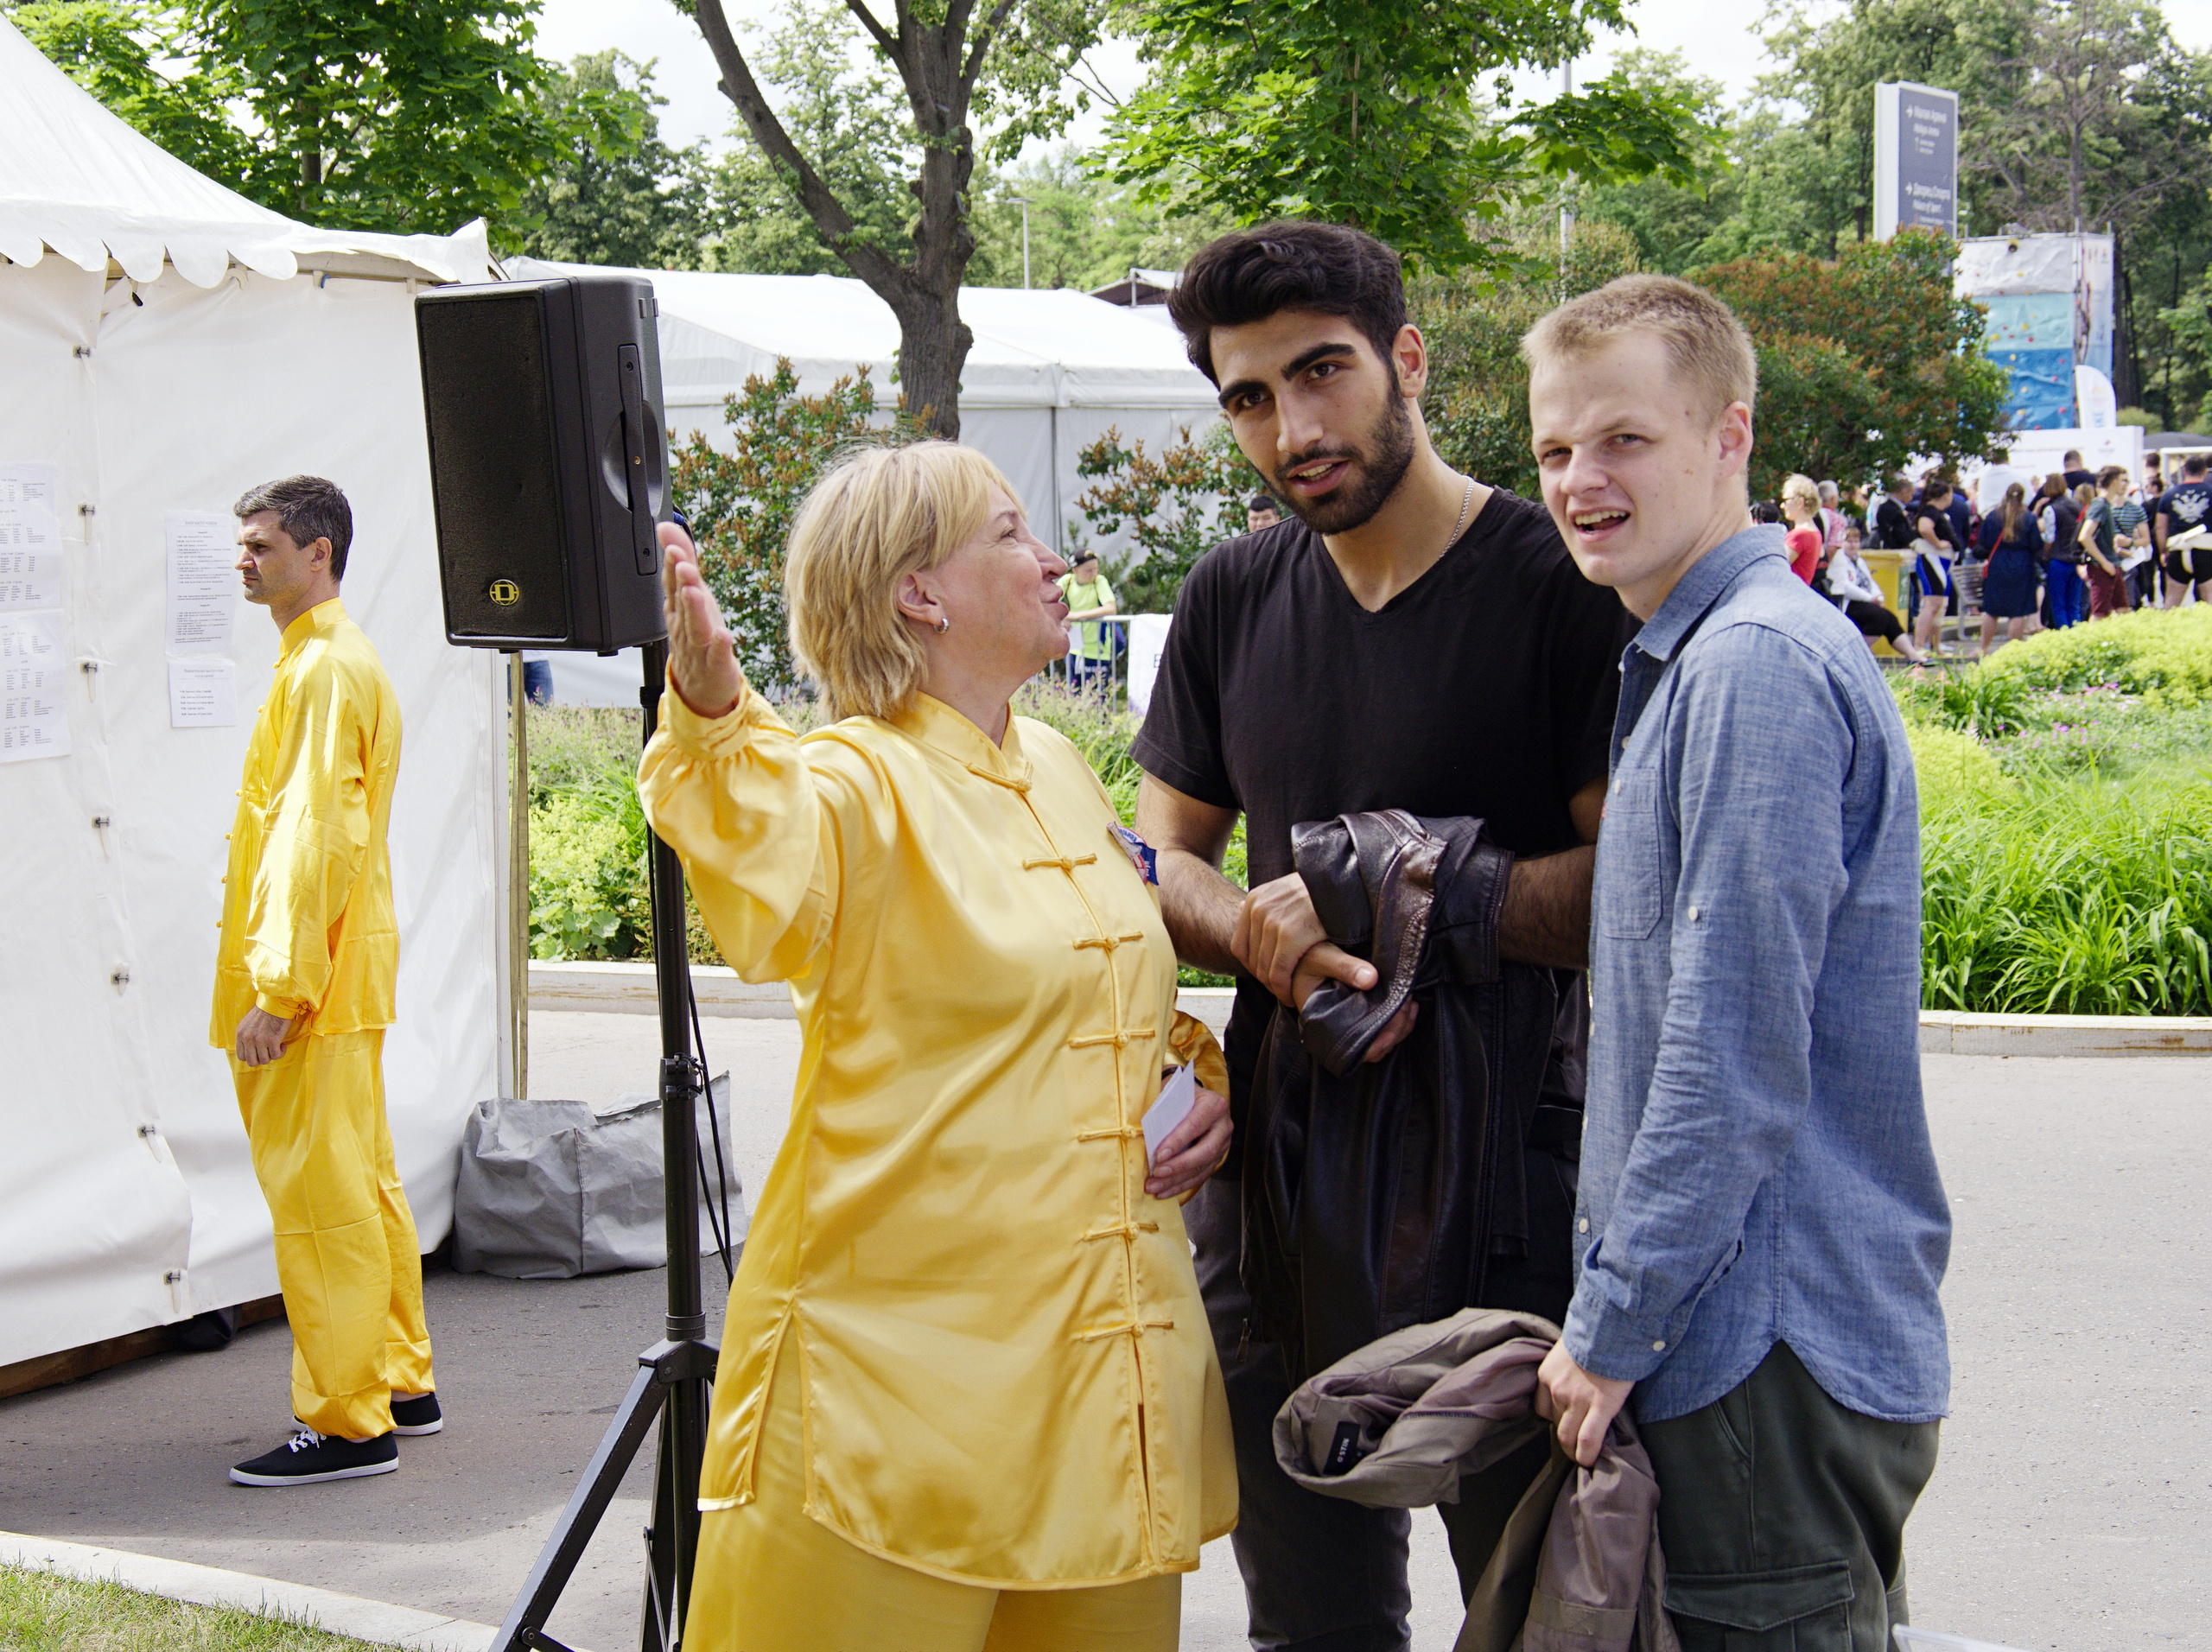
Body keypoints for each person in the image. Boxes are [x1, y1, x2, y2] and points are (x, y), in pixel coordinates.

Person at [639, 442, 1236, 1652]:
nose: (1053, 556)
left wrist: (1192, 1078)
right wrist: (711, 713)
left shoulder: (1058, 767)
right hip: (894, 1407)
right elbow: (767, 864)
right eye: (1013, 531)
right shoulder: (852, 780)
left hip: (1101, 1390)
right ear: (921, 592)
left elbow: (1084, 978)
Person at [1136, 219, 1626, 1650]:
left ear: (1408, 362)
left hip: (1513, 1194)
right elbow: (1156, 855)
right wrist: (1257, 928)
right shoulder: (1234, 595)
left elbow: (1632, 886)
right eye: (1247, 396)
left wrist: (1391, 887)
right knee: (1309, 1625)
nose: (1292, 428)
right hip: (1280, 1199)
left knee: (1532, 1614)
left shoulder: (1559, 584)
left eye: (1322, 372)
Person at [1521, 272, 1950, 1652]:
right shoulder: (1695, 658)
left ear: (1731, 438)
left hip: (1751, 1351)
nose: (1582, 479)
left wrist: (1609, 1327)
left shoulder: (1751, 666)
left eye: (1625, 440)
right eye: (1555, 450)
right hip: (1751, 1345)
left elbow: (1731, 1054)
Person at [216, 476, 437, 1488]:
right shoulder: (331, 659)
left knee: (322, 1202)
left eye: (262, 543)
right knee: (363, 1180)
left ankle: (349, 1423)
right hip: (347, 975)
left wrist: (281, 987)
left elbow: (317, 837)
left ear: (319, 553)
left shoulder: (323, 671)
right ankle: (397, 1380)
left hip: (320, 984)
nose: (244, 558)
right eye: (245, 543)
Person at [1827, 523, 1927, 663]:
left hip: (1864, 601)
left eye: (1856, 542)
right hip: (1847, 602)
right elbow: (1845, 586)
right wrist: (1870, 598)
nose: (1853, 545)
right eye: (1848, 542)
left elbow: (1869, 581)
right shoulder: (1839, 561)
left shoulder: (1859, 561)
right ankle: (1858, 654)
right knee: (1879, 618)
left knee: (1889, 618)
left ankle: (1912, 655)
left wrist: (1878, 595)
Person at [1974, 480, 2043, 654]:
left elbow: (1982, 543)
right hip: (2022, 564)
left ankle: (1983, 648)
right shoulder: (2028, 517)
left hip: (1998, 564)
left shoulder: (1993, 516)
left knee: (1992, 609)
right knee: (2017, 610)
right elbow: (2036, 545)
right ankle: (2014, 650)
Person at [1911, 478, 1962, 657]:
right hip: (1932, 559)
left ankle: (1936, 646)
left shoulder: (1936, 512)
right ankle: (1918, 646)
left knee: (1940, 605)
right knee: (1932, 604)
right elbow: (1925, 528)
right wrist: (1939, 544)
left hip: (1943, 562)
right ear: (1946, 495)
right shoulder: (1930, 511)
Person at [1056, 547, 1119, 689]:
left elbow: (1111, 608)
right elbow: (1050, 603)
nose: (1093, 573)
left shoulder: (1099, 581)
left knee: (1098, 696)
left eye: (1096, 569)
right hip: (1075, 648)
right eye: (1088, 570)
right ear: (1075, 570)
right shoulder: (1067, 582)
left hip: (1099, 648)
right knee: (1075, 693)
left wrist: (1076, 616)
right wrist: (1062, 616)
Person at [2155, 454, 2212, 606]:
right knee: (2209, 599)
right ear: (2205, 471)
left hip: (2177, 548)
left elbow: (2160, 526)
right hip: (2206, 549)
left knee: (2172, 602)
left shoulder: (2169, 495)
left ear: (2184, 470)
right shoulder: (2210, 491)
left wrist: (2163, 551)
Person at [2082, 467, 2135, 619]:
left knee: (2123, 609)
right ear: (2114, 482)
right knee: (2100, 614)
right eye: (2122, 480)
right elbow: (2085, 536)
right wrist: (2104, 562)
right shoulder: (2100, 505)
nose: (2124, 485)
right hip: (2102, 568)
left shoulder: (2105, 505)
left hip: (2112, 565)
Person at [2037, 473, 2088, 629]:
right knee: (2074, 605)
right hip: (2077, 560)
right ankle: (2076, 636)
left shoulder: (2051, 509)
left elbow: (2050, 539)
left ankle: (2065, 635)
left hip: (2058, 561)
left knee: (2059, 605)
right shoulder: (2078, 506)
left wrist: (2045, 554)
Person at [1780, 473, 1824, 583]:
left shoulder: (1799, 535)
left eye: (1786, 500)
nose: (1782, 505)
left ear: (1800, 502)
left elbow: (1776, 567)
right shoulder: (1815, 533)